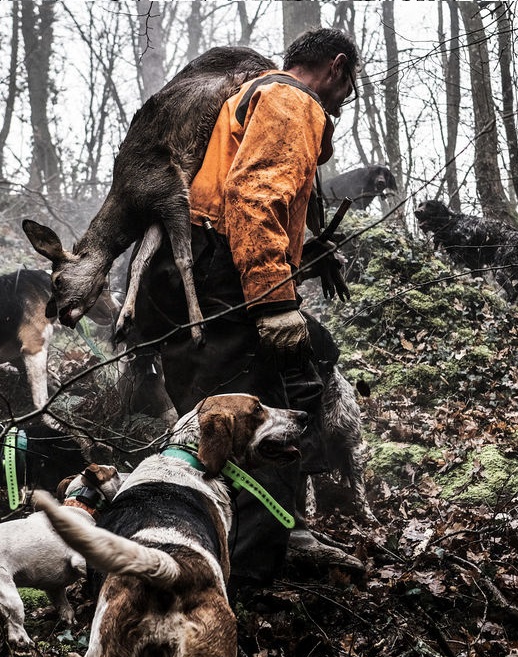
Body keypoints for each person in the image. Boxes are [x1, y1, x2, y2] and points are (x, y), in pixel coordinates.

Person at [128, 27, 360, 591]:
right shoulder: (289, 100)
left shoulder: (252, 98)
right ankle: (247, 588)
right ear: (334, 68)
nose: (345, 98)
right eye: (347, 84)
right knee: (260, 425)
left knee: (287, 388)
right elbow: (253, 197)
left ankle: (270, 536)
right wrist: (275, 300)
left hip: (192, 273)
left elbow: (240, 197)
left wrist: (304, 250)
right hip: (221, 275)